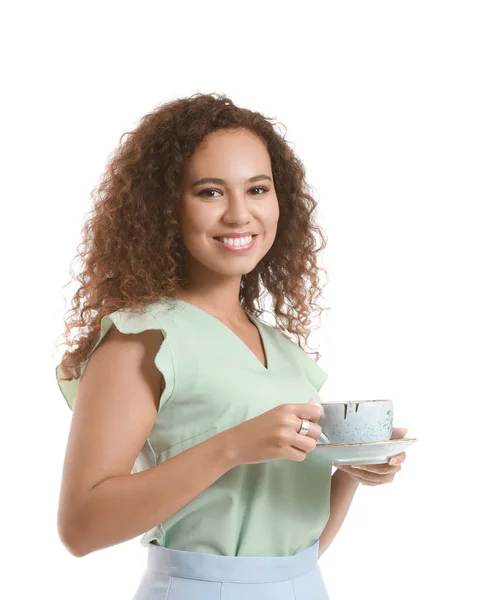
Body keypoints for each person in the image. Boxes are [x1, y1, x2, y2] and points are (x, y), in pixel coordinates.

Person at [55, 93, 406, 600]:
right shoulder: (142, 340)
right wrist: (230, 448)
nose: (240, 215)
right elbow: (81, 527)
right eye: (210, 192)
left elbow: (290, 556)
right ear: (166, 207)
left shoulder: (284, 355)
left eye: (257, 189)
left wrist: (352, 470)